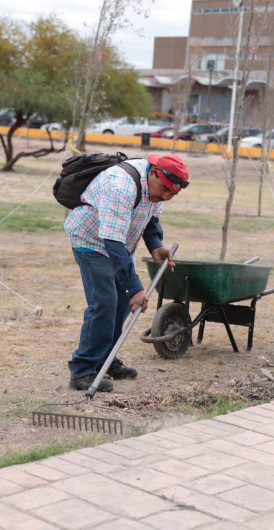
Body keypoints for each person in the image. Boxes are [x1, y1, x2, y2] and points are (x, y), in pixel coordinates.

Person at [64, 153, 189, 392]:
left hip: (120, 244)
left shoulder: (158, 184)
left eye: (172, 194)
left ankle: (105, 359)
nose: (165, 196)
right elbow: (111, 241)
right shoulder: (119, 185)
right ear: (152, 172)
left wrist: (155, 246)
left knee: (121, 304)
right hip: (91, 240)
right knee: (105, 302)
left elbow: (151, 219)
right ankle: (83, 369)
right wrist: (135, 289)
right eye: (163, 190)